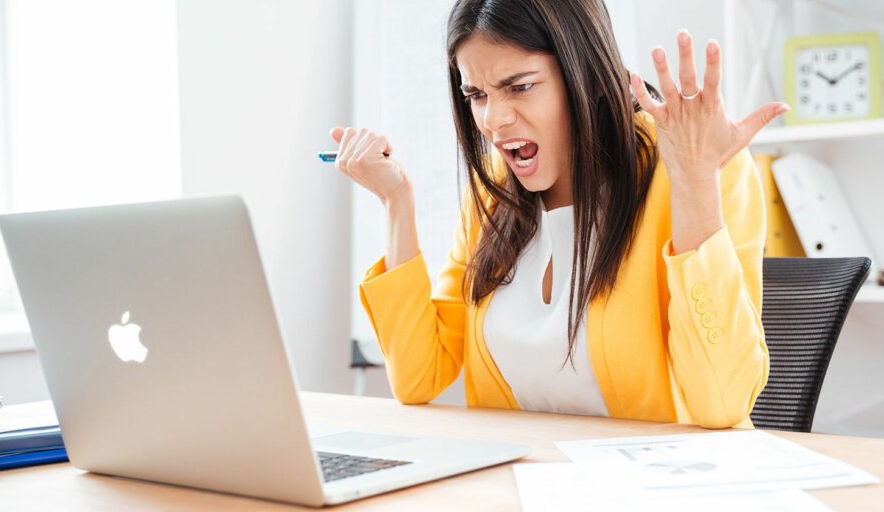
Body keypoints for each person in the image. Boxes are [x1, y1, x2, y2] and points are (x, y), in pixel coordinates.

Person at [330, 0, 788, 429]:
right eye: (477, 95)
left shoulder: (695, 168)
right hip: (524, 484)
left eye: (520, 86)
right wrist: (397, 202)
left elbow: (720, 404)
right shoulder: (495, 189)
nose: (493, 120)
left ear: (583, 71)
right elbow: (418, 377)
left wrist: (694, 182)